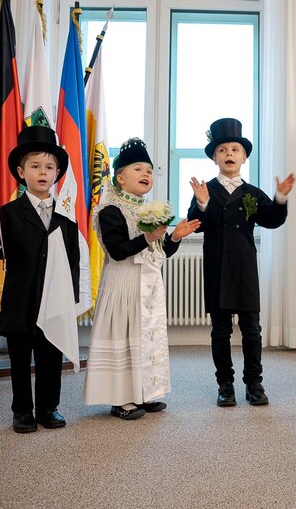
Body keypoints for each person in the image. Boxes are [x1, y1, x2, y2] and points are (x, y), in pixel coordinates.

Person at [83, 138, 200, 419]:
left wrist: (174, 237)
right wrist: (147, 237)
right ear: (120, 178)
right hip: (123, 284)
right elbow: (118, 250)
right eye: (138, 169)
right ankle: (121, 400)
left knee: (146, 337)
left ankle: (146, 393)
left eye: (148, 169)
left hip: (148, 285)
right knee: (125, 338)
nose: (146, 173)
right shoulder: (111, 210)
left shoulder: (150, 211)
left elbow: (159, 253)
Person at [188, 118, 296, 407]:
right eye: (222, 149)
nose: (229, 154)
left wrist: (281, 197)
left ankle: (254, 383)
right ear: (215, 157)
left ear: (244, 156)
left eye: (235, 149)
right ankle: (225, 384)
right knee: (220, 330)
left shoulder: (252, 193)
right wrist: (201, 204)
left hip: (246, 268)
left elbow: (271, 220)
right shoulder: (206, 190)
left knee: (252, 330)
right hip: (216, 267)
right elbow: (195, 224)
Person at [0, 124, 80, 434]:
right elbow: (1, 254)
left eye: (50, 167)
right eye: (35, 166)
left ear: (57, 173)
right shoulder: (8, 213)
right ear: (20, 171)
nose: (43, 172)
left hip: (53, 300)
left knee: (50, 356)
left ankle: (48, 407)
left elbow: (73, 260)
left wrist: (72, 298)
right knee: (21, 358)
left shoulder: (66, 217)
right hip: (20, 299)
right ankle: (22, 410)